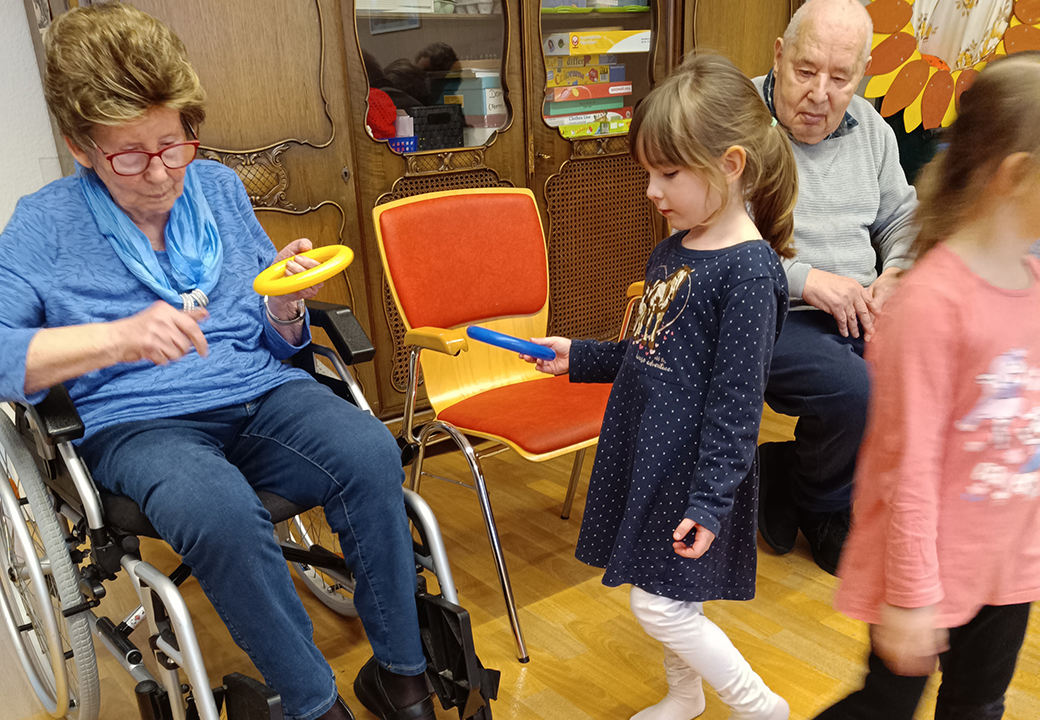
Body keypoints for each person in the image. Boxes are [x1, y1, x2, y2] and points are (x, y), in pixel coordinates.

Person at [0, 5, 435, 720]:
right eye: (130, 156)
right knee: (218, 511)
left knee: (367, 451)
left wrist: (285, 306)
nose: (161, 173)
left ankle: (402, 676)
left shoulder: (219, 190)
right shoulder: (43, 225)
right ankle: (314, 704)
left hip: (259, 391)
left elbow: (276, 341)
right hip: (141, 421)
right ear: (81, 147)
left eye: (172, 144)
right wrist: (119, 338)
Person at [527, 54, 794, 720]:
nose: (651, 190)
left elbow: (737, 409)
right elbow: (648, 351)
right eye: (648, 173)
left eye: (668, 174)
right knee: (673, 591)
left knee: (659, 604)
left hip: (693, 470)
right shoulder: (674, 248)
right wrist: (580, 356)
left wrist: (709, 502)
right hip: (650, 453)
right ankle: (685, 693)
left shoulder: (748, 274)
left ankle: (761, 708)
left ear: (730, 165)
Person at [812, 51, 1040, 720]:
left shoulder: (1033, 285)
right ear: (1015, 176)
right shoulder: (931, 305)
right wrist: (911, 595)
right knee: (884, 708)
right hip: (924, 567)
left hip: (1008, 560)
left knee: (979, 704)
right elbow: (904, 467)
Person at [753, 0, 919, 574]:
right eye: (805, 71)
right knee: (854, 388)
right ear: (779, 55)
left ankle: (793, 470)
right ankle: (823, 506)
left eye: (840, 78)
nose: (819, 94)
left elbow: (903, 219)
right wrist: (807, 279)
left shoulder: (872, 130)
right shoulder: (732, 121)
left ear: (863, 75)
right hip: (768, 311)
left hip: (859, 305)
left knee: (923, 368)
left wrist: (895, 273)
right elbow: (710, 245)